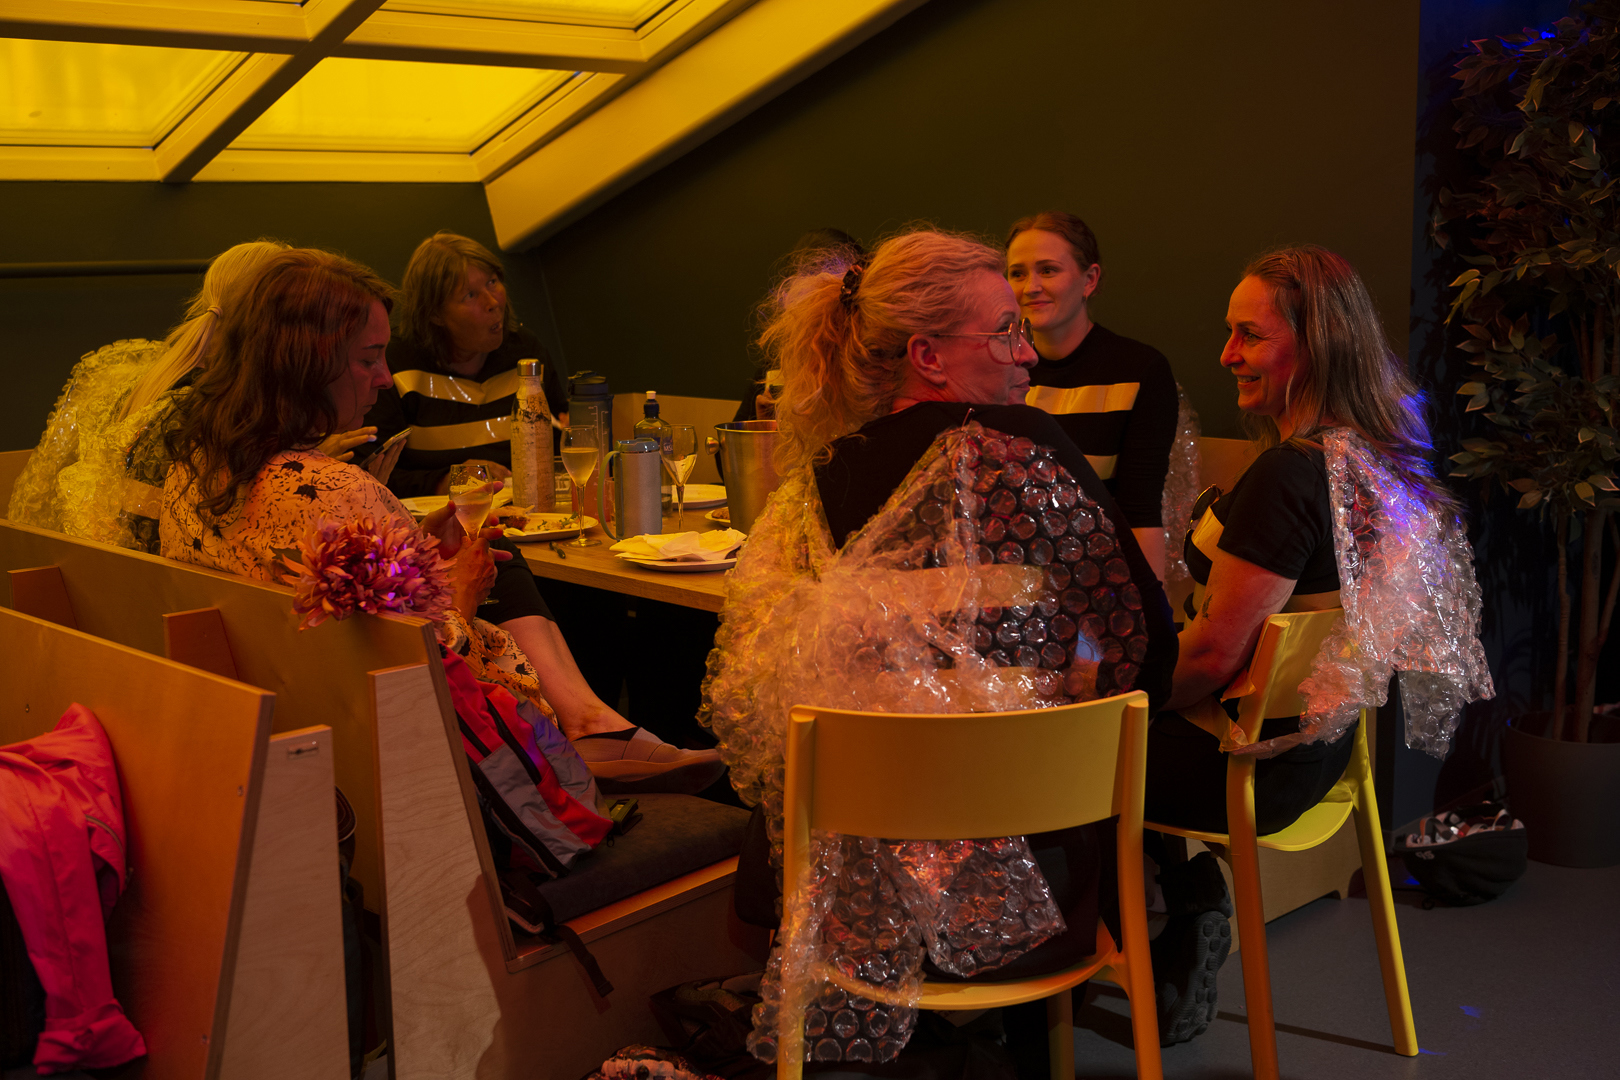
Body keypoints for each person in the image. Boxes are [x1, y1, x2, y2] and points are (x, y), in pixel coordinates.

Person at [699, 229, 1178, 1072]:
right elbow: (1146, 647)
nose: (1027, 353)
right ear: (927, 355)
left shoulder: (817, 479)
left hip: (844, 876)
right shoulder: (1026, 447)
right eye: (1005, 331)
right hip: (1031, 879)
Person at [158, 247, 723, 794]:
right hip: (436, 760)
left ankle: (592, 723)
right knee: (511, 570)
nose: (385, 378)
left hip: (278, 726)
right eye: (367, 359)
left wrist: (416, 549)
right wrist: (460, 590)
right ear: (303, 364)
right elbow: (417, 667)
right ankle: (588, 728)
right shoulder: (337, 489)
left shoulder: (194, 471)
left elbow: (335, 624)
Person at [1145, 245, 1493, 1044]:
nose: (1226, 355)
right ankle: (1177, 909)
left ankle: (1106, 956)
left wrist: (1109, 693)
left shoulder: (1290, 475)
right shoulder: (1373, 458)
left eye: (1249, 335)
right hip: (1327, 756)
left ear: (1317, 346)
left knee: (1063, 750)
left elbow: (1211, 660)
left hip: (1249, 769)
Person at [1005, 212, 1180, 580]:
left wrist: (1151, 607)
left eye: (1048, 270)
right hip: (1007, 578)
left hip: (1097, 580)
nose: (1031, 287)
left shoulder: (1139, 370)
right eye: (1017, 273)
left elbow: (1139, 511)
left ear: (1090, 279)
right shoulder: (998, 369)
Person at [364, 231, 568, 497]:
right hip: (436, 517)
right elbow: (368, 474)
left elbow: (562, 439)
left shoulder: (526, 352)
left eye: (492, 282)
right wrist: (447, 480)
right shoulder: (395, 365)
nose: (493, 302)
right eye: (470, 295)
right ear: (435, 314)